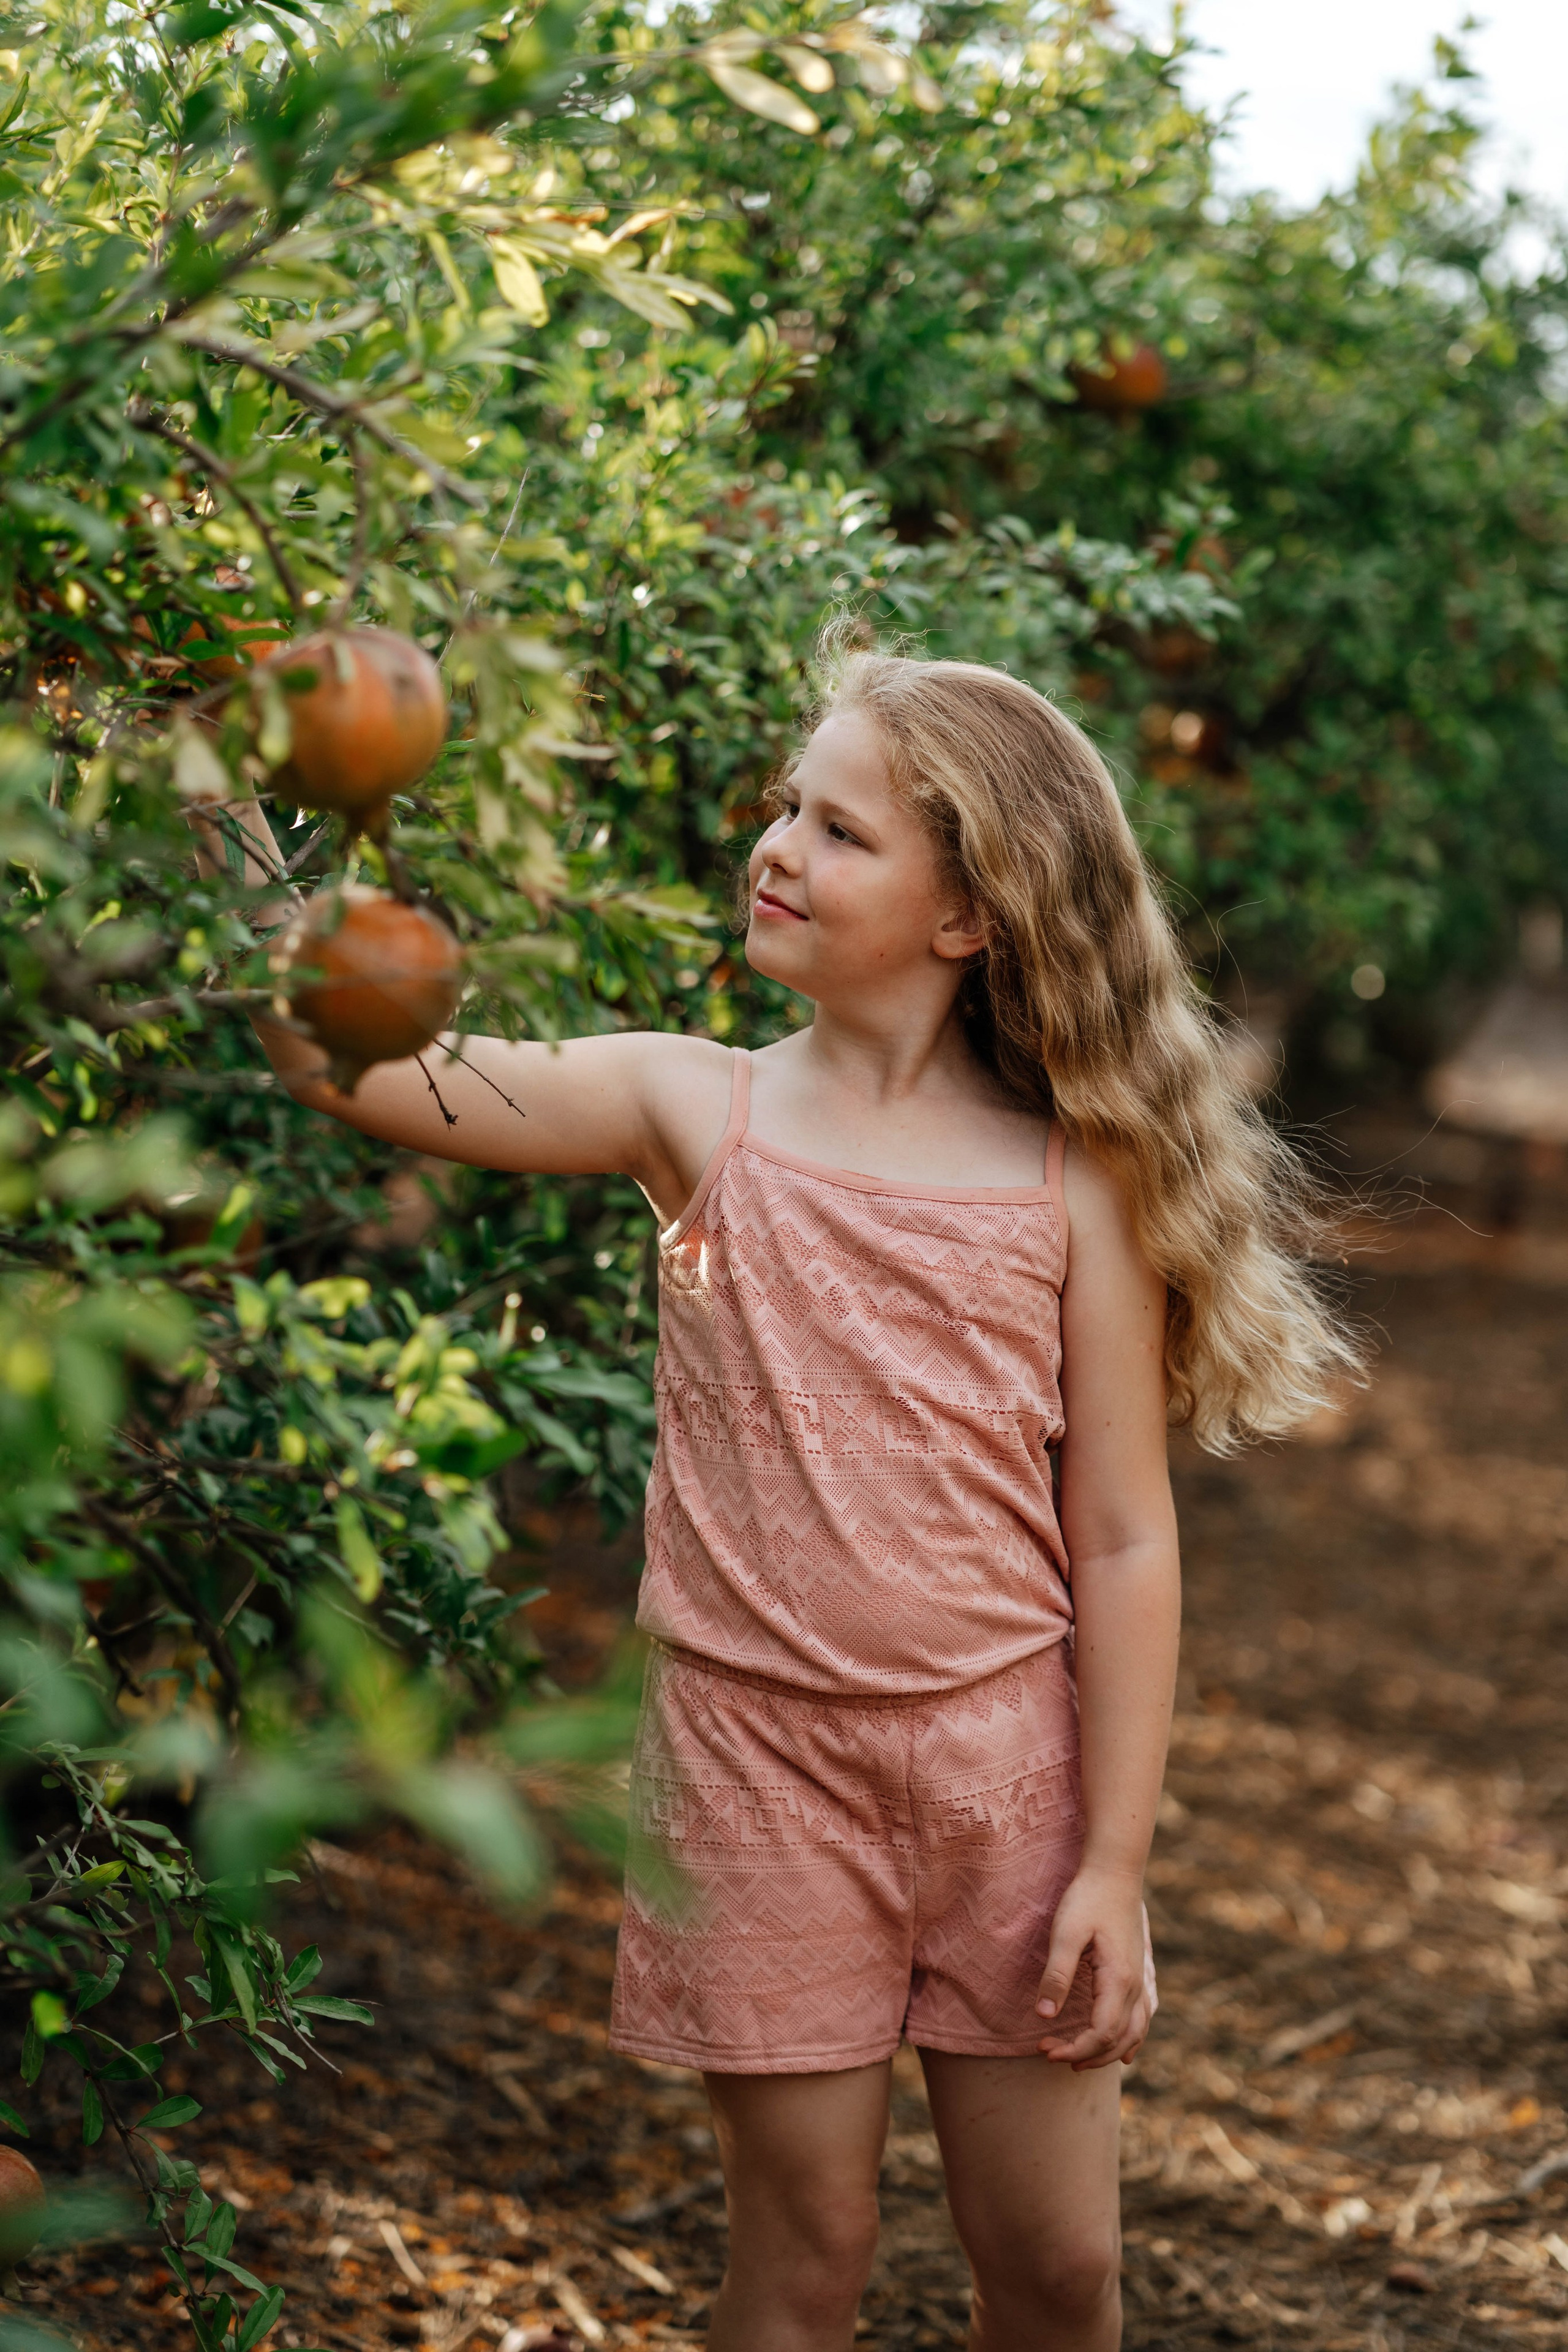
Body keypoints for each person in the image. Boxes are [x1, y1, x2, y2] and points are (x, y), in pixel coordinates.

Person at [201, 647, 1356, 2352]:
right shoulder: (698, 1107)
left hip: (1003, 1779)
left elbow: (1119, 1533)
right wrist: (237, 811)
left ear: (973, 915)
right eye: (784, 810)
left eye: (838, 830)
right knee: (801, 2262)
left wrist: (1113, 1862)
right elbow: (365, 1063)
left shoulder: (1073, 1183)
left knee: (1058, 2274)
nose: (778, 848)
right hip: (753, 1774)